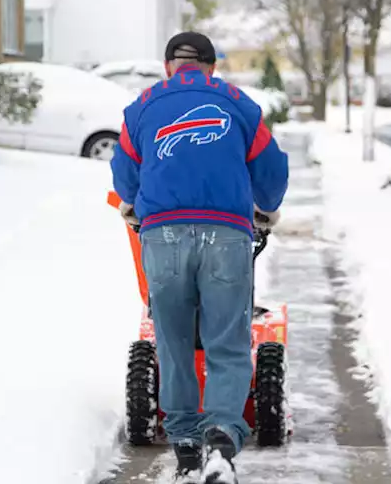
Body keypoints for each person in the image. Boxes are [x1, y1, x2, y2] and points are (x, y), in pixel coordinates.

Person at [110, 32, 290, 484]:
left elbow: (124, 171)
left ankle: (187, 447)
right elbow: (272, 169)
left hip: (163, 236)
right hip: (227, 236)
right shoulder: (240, 104)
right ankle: (222, 442)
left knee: (170, 342)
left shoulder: (142, 107)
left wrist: (133, 202)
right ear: (211, 66)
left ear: (170, 65)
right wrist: (266, 206)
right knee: (228, 342)